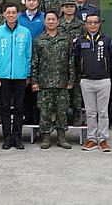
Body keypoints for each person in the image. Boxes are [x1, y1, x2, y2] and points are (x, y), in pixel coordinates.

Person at [0, 4, 32, 150]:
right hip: (3, 76)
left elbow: (28, 55)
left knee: (19, 108)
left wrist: (28, 74)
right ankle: (7, 137)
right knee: (5, 108)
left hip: (20, 76)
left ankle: (17, 137)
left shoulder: (25, 32)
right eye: (9, 13)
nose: (11, 15)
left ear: (18, 14)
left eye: (14, 12)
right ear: (4, 15)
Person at [31, 12, 75, 150]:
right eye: (48, 19)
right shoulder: (39, 40)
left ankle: (62, 137)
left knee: (62, 111)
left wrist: (71, 79)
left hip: (62, 82)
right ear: (44, 22)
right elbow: (34, 62)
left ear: (57, 22)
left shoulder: (66, 39)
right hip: (44, 83)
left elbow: (71, 61)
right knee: (45, 111)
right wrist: (34, 81)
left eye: (53, 19)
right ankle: (46, 137)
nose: (51, 21)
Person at [75, 13, 112, 152]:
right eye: (90, 22)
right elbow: (76, 59)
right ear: (85, 24)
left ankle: (103, 139)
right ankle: (91, 139)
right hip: (86, 81)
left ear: (99, 24)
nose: (92, 25)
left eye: (95, 22)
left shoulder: (107, 40)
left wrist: (103, 70)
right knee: (91, 112)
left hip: (103, 80)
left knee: (103, 112)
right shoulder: (80, 41)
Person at [59, 0, 85, 125]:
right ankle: (61, 116)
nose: (69, 9)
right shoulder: (57, 24)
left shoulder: (80, 25)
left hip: (76, 62)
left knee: (76, 92)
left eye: (72, 6)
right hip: (60, 62)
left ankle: (77, 115)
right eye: (67, 6)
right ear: (62, 8)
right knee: (62, 90)